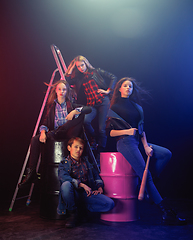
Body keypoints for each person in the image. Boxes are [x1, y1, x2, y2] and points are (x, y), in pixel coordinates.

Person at [106, 77, 187, 225]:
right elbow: (110, 133)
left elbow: (141, 130)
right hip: (124, 143)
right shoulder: (115, 107)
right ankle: (166, 213)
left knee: (165, 154)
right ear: (119, 88)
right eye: (125, 86)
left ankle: (149, 185)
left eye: (130, 86)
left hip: (137, 142)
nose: (128, 88)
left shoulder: (137, 107)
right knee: (145, 174)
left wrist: (146, 146)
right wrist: (127, 131)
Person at [18, 80, 91, 188]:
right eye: (59, 89)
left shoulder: (71, 105)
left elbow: (88, 109)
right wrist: (43, 132)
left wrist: (74, 111)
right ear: (56, 91)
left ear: (67, 91)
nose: (62, 91)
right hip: (56, 133)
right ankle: (31, 173)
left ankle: (63, 128)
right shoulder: (51, 106)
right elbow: (45, 122)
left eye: (64, 89)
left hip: (69, 133)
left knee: (81, 114)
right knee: (35, 139)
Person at [65, 55, 117, 159]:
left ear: (86, 63)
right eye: (78, 67)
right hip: (91, 103)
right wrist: (71, 66)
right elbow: (68, 80)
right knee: (86, 121)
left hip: (102, 101)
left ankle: (100, 152)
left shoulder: (96, 71)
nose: (81, 68)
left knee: (102, 129)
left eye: (82, 65)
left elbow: (113, 77)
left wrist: (108, 90)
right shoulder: (79, 77)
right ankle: (94, 138)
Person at [57, 137, 115, 228]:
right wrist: (81, 184)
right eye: (76, 147)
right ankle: (72, 214)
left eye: (81, 148)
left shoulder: (86, 162)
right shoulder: (64, 163)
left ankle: (82, 211)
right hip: (74, 194)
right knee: (66, 185)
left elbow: (96, 176)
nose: (78, 150)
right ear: (69, 148)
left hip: (87, 194)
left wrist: (99, 187)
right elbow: (63, 177)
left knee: (109, 204)